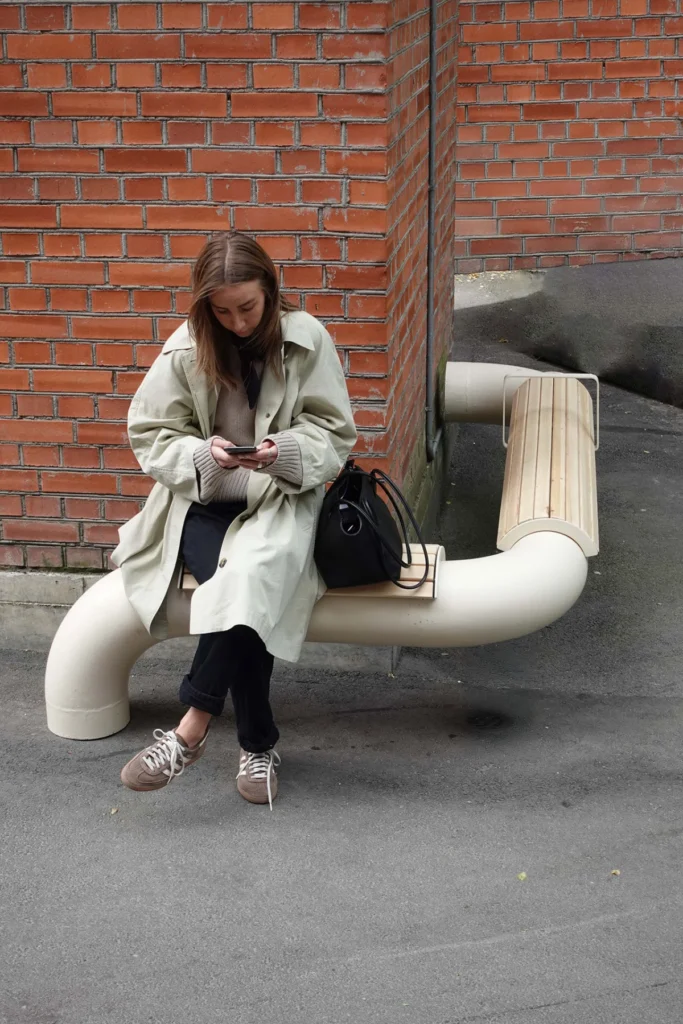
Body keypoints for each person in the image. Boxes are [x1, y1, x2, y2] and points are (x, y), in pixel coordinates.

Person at [112, 231, 357, 807]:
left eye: (247, 307)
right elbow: (150, 433)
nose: (238, 323)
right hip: (203, 500)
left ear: (270, 289)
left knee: (248, 580)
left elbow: (335, 433)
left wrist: (284, 451)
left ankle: (189, 729)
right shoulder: (186, 347)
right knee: (241, 592)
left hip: (280, 497)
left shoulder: (308, 339)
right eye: (222, 312)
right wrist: (204, 456)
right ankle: (257, 746)